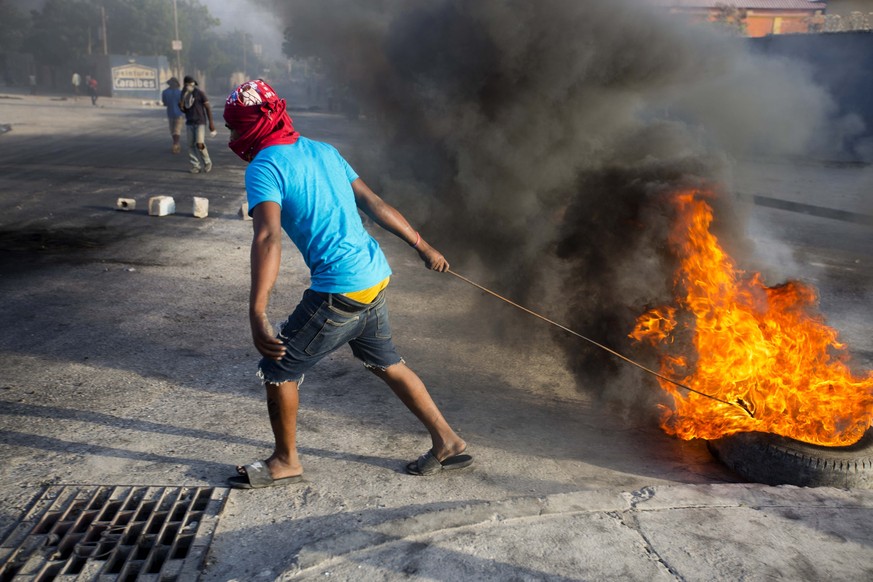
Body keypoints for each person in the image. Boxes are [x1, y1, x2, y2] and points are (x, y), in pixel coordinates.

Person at [222, 79, 472, 489]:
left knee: (278, 369)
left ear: (254, 124)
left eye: (235, 127)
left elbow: (267, 237)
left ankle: (285, 461)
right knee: (388, 364)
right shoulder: (324, 150)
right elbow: (373, 202)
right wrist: (423, 246)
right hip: (373, 278)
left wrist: (257, 310)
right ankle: (448, 442)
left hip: (339, 290)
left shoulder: (265, 167)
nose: (232, 136)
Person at [179, 75, 215, 173]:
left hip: (200, 122)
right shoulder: (184, 94)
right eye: (187, 84)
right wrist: (181, 104)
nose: (188, 86)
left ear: (193, 84)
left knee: (199, 143)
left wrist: (211, 123)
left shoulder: (199, 93)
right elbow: (184, 109)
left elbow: (207, 108)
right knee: (190, 145)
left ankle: (207, 162)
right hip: (190, 122)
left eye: (190, 84)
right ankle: (196, 165)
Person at [161, 77, 184, 154]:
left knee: (172, 130)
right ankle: (176, 144)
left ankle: (175, 143)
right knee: (177, 130)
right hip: (179, 113)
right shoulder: (180, 93)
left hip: (170, 113)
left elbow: (165, 103)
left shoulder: (165, 92)